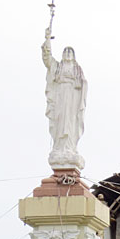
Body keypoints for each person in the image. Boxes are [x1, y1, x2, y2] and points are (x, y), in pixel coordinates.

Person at [42, 27, 87, 168]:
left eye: (70, 53)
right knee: (60, 120)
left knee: (70, 121)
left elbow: (83, 84)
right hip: (60, 95)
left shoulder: (77, 70)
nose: (67, 54)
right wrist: (47, 40)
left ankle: (69, 147)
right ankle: (59, 147)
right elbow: (47, 58)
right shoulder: (58, 67)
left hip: (72, 97)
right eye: (65, 52)